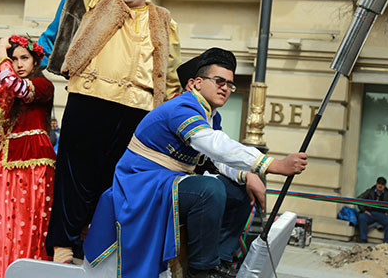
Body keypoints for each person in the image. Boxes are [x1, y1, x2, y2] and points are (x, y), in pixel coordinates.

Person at [83, 48, 308, 278]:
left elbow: (216, 158)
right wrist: (274, 165)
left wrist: (247, 175)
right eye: (219, 81)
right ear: (197, 83)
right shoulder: (181, 107)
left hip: (167, 182)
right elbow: (214, 144)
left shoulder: (210, 116)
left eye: (230, 84)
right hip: (142, 185)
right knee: (208, 189)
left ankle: (221, 262)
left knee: (238, 190)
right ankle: (202, 270)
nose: (225, 88)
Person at [45, 0, 182, 263]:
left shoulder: (163, 21)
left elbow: (170, 74)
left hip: (137, 110)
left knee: (113, 182)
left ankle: (95, 246)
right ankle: (62, 244)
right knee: (75, 177)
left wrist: (169, 115)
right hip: (90, 99)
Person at [0, 35, 56, 278]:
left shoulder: (43, 85)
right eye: (13, 59)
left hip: (33, 166)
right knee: (1, 229)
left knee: (29, 229)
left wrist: (1, 55)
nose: (18, 64)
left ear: (35, 61)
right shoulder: (7, 87)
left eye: (24, 58)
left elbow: (18, 87)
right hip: (5, 166)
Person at [357, 176, 388, 243]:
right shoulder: (370, 191)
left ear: (385, 186)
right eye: (379, 183)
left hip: (382, 215)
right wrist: (364, 210)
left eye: (382, 184)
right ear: (376, 184)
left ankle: (387, 242)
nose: (380, 186)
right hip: (371, 213)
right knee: (362, 217)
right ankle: (363, 238)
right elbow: (358, 199)